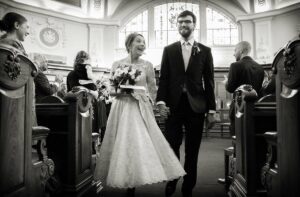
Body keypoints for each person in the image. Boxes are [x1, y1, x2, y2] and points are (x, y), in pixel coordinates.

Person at [94, 32, 185, 197]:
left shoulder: (148, 65)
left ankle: (134, 181)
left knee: (138, 143)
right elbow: (112, 90)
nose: (142, 44)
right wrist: (122, 90)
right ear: (129, 44)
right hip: (121, 106)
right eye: (138, 41)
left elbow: (152, 88)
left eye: (144, 42)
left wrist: (159, 105)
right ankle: (126, 178)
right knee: (122, 143)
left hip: (140, 107)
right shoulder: (117, 64)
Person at [156, 10, 217, 197]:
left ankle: (188, 186)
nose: (184, 25)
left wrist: (212, 109)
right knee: (171, 146)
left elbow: (210, 81)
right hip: (173, 106)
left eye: (188, 22)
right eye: (180, 22)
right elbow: (164, 79)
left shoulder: (205, 51)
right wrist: (160, 102)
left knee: (193, 150)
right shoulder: (169, 50)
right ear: (177, 25)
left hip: (196, 106)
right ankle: (172, 179)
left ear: (194, 24)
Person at [0, 12, 37, 125]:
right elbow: (24, 75)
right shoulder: (12, 48)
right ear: (17, 25)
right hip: (16, 106)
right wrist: (37, 65)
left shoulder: (4, 43)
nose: (28, 32)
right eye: (26, 27)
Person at [225, 41, 264, 136]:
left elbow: (230, 88)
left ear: (241, 50)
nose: (233, 54)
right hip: (255, 108)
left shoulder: (235, 66)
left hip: (239, 107)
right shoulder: (260, 68)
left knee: (237, 137)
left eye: (235, 50)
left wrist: (226, 82)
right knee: (251, 137)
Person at [67, 51, 99, 132]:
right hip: (83, 107)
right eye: (87, 63)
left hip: (80, 107)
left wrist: (87, 88)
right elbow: (74, 90)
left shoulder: (71, 74)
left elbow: (96, 94)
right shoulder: (74, 74)